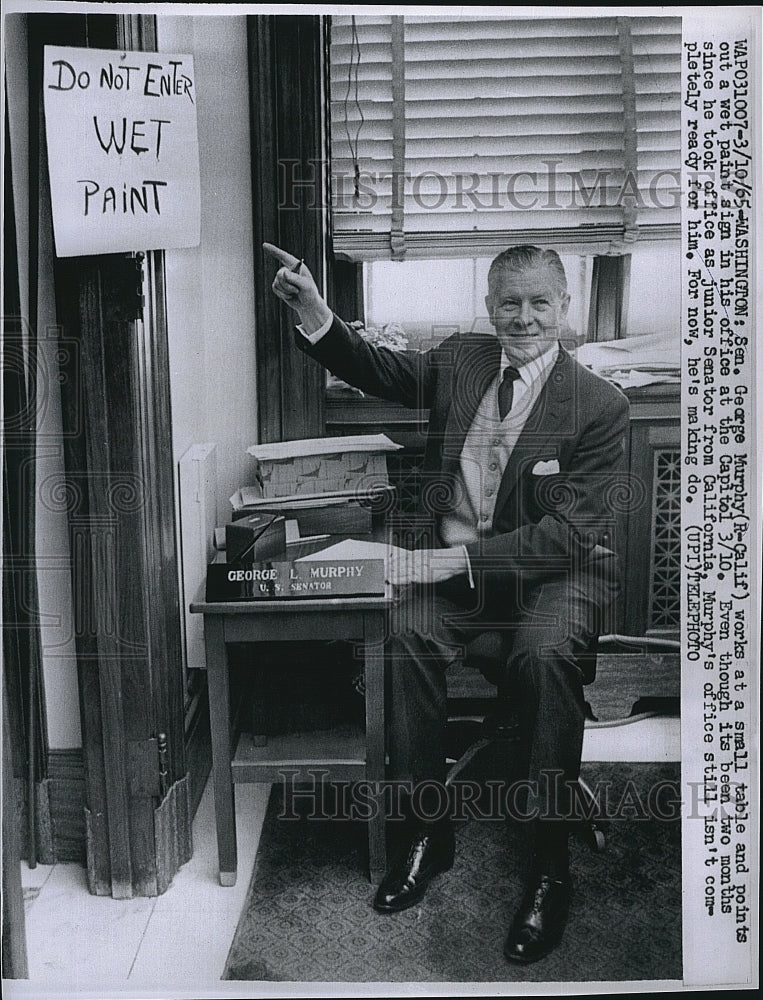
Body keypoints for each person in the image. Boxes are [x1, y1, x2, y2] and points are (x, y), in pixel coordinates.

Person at [265, 242, 630, 963]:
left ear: (565, 308)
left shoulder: (598, 405)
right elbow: (373, 368)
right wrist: (314, 312)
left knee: (546, 653)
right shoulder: (461, 360)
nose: (521, 317)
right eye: (507, 302)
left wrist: (438, 559)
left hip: (554, 579)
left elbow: (563, 536)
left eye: (538, 303)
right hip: (458, 584)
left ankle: (548, 866)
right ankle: (427, 834)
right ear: (487, 306)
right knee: (403, 633)